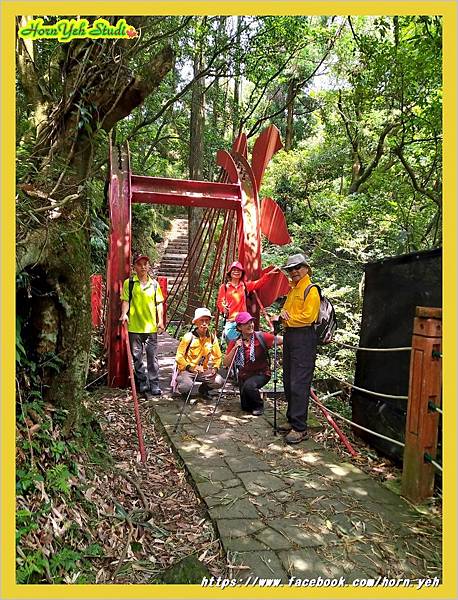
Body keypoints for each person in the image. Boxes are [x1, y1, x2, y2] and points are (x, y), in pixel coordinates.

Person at [277, 253, 320, 444]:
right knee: (288, 379)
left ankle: (300, 427)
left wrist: (288, 319)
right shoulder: (293, 290)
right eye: (291, 269)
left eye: (297, 268)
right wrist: (284, 316)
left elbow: (308, 317)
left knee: (299, 382)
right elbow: (284, 311)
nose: (294, 272)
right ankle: (292, 419)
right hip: (290, 337)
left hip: (304, 337)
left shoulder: (311, 290)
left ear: (306, 268)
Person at [119, 254, 165, 400]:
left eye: (145, 264)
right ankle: (142, 382)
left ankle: (155, 383)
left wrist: (161, 321)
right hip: (134, 327)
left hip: (150, 328)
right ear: (134, 267)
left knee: (152, 357)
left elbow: (159, 304)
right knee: (137, 357)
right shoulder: (129, 283)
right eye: (140, 264)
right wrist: (124, 314)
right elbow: (126, 300)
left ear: (149, 266)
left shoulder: (155, 284)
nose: (143, 267)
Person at [223, 311, 283, 416]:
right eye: (246, 323)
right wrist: (235, 348)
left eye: (251, 322)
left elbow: (280, 340)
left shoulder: (260, 337)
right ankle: (252, 400)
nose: (250, 325)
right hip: (244, 376)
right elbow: (226, 363)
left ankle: (259, 405)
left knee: (249, 387)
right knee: (245, 407)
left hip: (261, 373)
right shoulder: (235, 342)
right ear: (239, 327)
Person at [216, 261, 278, 339]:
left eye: (239, 270)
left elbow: (258, 283)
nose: (236, 272)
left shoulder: (244, 286)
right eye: (234, 270)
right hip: (231, 321)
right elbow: (220, 302)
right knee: (233, 345)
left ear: (242, 273)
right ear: (230, 272)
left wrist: (268, 275)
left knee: (245, 345)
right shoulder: (224, 287)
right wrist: (223, 308)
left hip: (243, 321)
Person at [175, 307, 224, 403]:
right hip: (187, 370)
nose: (204, 323)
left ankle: (203, 390)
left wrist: (215, 368)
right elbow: (179, 356)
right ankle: (185, 392)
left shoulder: (212, 337)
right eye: (201, 320)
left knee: (219, 381)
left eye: (207, 320)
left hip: (203, 371)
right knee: (185, 385)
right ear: (196, 322)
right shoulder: (188, 337)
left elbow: (218, 356)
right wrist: (190, 367)